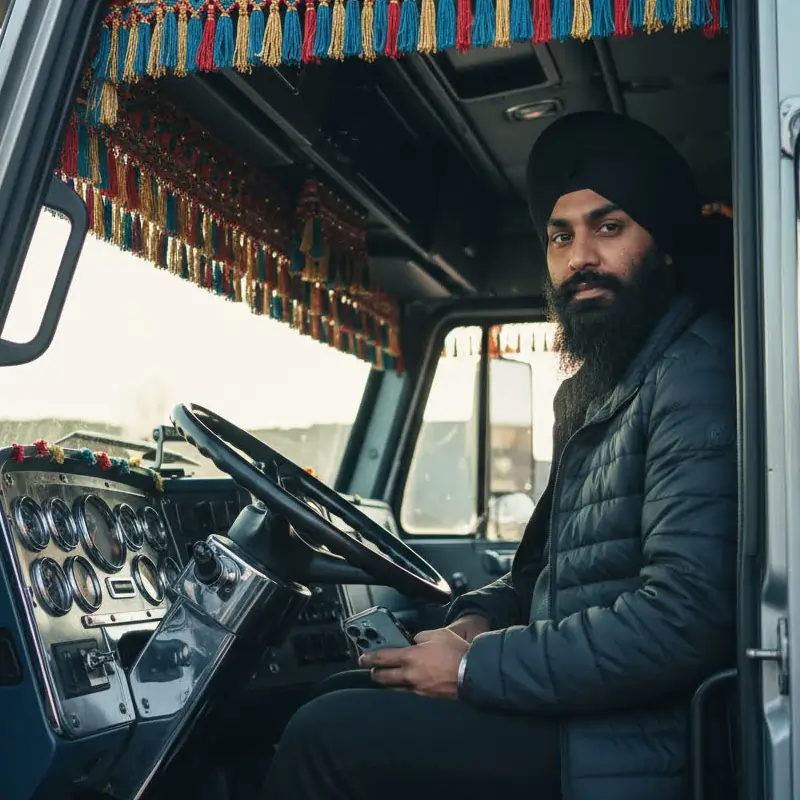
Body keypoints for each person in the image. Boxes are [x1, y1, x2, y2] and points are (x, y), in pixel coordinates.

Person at [261, 111, 738, 800]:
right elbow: (542, 575)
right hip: (581, 711)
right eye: (561, 237)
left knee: (326, 734)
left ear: (660, 247)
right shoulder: (599, 392)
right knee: (344, 688)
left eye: (610, 228)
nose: (581, 258)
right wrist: (475, 620)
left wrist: (470, 668)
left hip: (632, 743)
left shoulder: (694, 372)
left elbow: (683, 618)